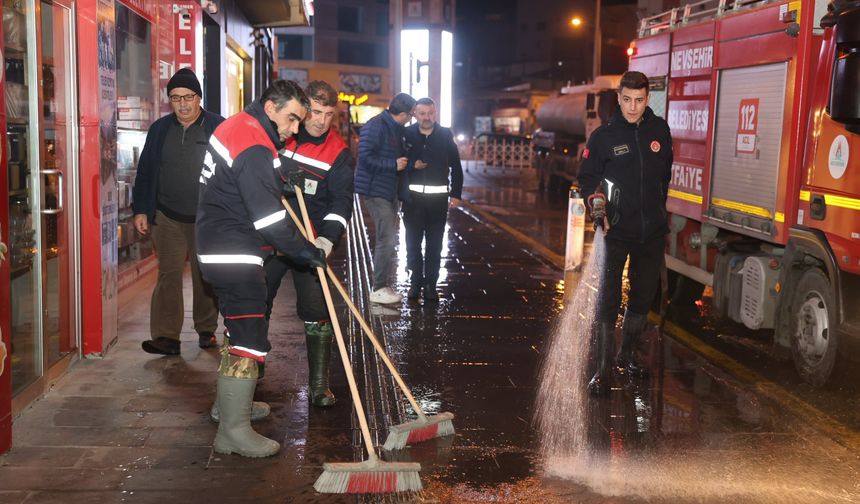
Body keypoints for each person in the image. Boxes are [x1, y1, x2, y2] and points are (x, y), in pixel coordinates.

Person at [196, 80, 327, 458]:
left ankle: (230, 404)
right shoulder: (254, 142)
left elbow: (250, 175)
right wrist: (305, 251)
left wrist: (284, 176)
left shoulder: (241, 126)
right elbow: (269, 218)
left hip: (219, 245)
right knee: (249, 336)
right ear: (271, 107)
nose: (295, 129)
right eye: (291, 119)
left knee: (238, 327)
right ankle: (233, 431)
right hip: (233, 251)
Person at [579, 71, 673, 395]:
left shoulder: (660, 130)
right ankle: (603, 372)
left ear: (648, 99)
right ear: (619, 98)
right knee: (608, 299)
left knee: (643, 297)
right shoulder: (603, 137)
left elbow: (665, 177)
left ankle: (628, 356)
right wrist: (597, 208)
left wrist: (658, 213)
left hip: (652, 233)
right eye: (627, 100)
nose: (633, 107)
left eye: (640, 100)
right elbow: (587, 180)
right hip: (616, 232)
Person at [264, 80, 354, 408]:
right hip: (272, 236)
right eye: (315, 112)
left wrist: (327, 239)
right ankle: (251, 369)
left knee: (318, 310)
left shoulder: (338, 153)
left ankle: (319, 385)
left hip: (309, 240)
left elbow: (341, 201)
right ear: (304, 109)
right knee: (256, 301)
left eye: (329, 115)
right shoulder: (282, 134)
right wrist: (283, 184)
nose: (321, 121)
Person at [132, 68, 224, 355]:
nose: (182, 104)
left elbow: (229, 172)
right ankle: (166, 337)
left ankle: (206, 329)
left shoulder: (217, 127)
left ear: (199, 98)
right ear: (169, 100)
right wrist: (142, 210)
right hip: (167, 216)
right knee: (168, 275)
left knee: (204, 275)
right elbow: (145, 172)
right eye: (175, 98)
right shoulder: (160, 129)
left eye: (188, 97)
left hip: (206, 217)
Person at [354, 93, 417, 305]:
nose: (411, 119)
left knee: (387, 237)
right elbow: (365, 158)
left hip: (388, 190)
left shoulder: (395, 128)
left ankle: (381, 285)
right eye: (411, 115)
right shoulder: (376, 126)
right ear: (403, 114)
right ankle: (378, 288)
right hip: (375, 190)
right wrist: (393, 164)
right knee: (387, 238)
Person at [402, 97, 463, 302]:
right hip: (413, 201)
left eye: (430, 113)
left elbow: (456, 165)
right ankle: (415, 282)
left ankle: (431, 285)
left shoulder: (445, 134)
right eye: (422, 113)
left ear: (435, 113)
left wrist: (456, 193)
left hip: (438, 202)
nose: (427, 117)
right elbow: (400, 164)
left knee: (435, 245)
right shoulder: (407, 134)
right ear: (415, 114)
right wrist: (412, 165)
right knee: (412, 244)